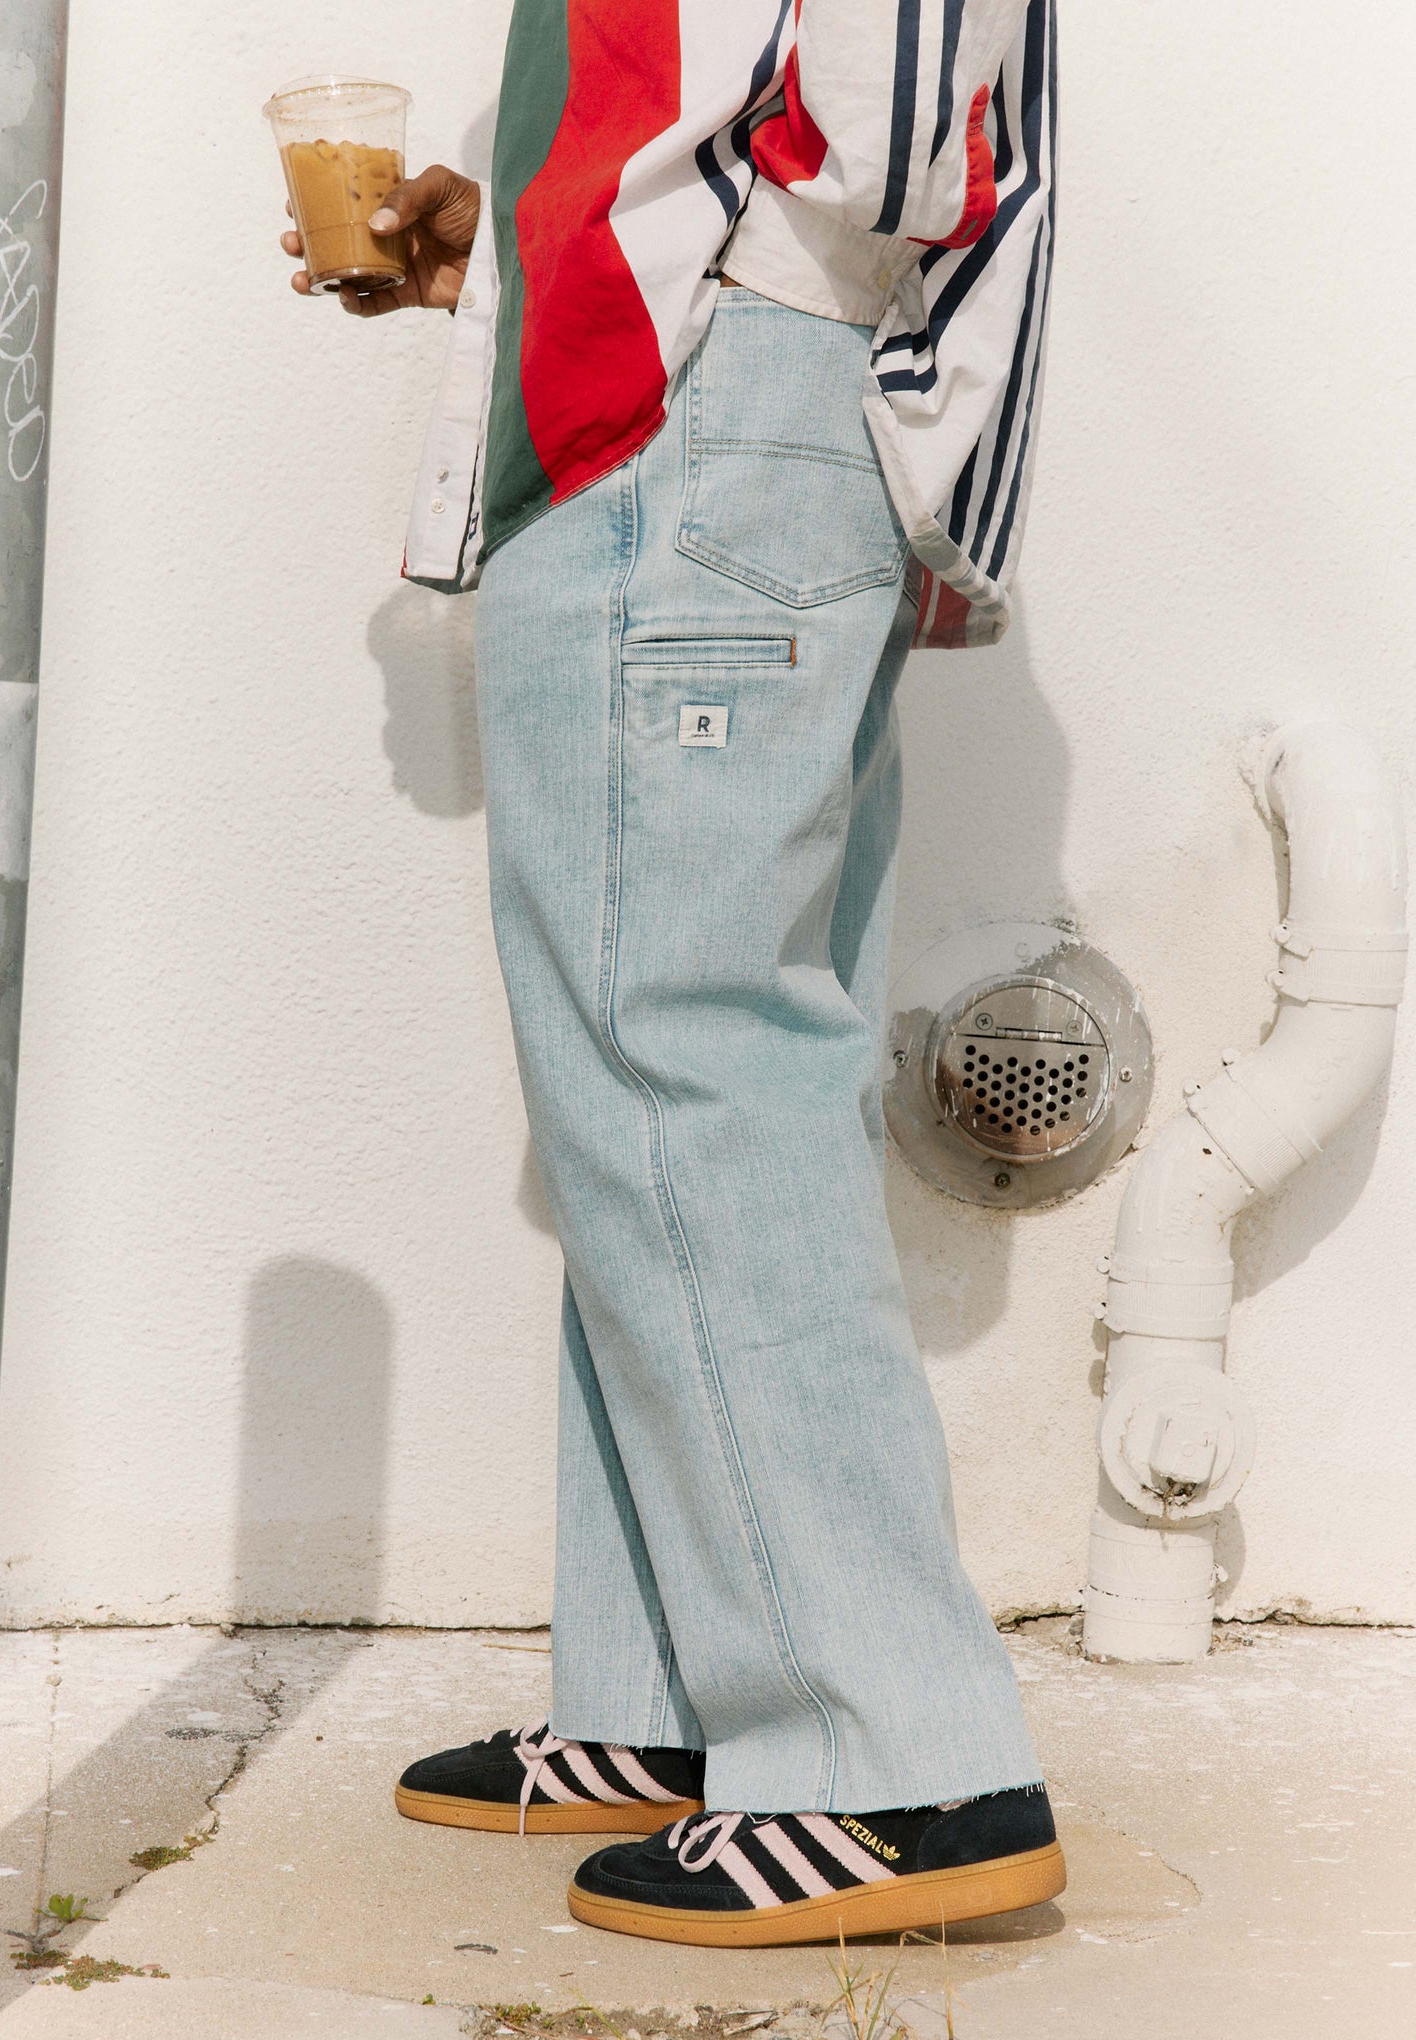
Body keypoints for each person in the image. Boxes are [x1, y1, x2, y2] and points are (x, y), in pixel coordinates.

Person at [281, 0, 1061, 1949]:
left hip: (711, 413)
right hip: (711, 401)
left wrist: (718, 250)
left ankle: (891, 1755)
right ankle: (676, 1707)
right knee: (656, 1073)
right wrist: (525, 255)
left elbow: (874, 98)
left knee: (681, 1055)